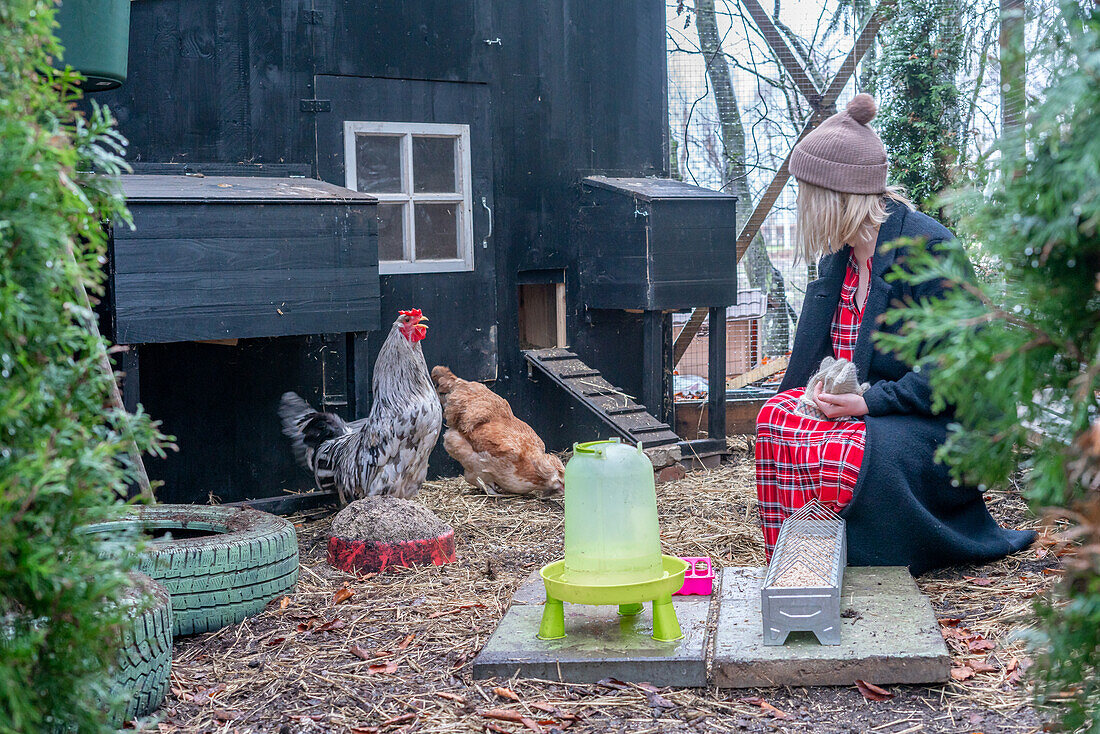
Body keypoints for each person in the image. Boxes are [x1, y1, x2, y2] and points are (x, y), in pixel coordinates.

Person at [755, 93, 1034, 575]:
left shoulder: (928, 248)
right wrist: (817, 393)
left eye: (805, 194)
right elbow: (820, 358)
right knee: (774, 420)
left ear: (835, 196)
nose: (800, 205)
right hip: (870, 407)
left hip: (939, 422)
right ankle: (800, 557)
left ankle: (862, 554)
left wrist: (869, 403)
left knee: (851, 448)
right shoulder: (837, 258)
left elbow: (961, 369)